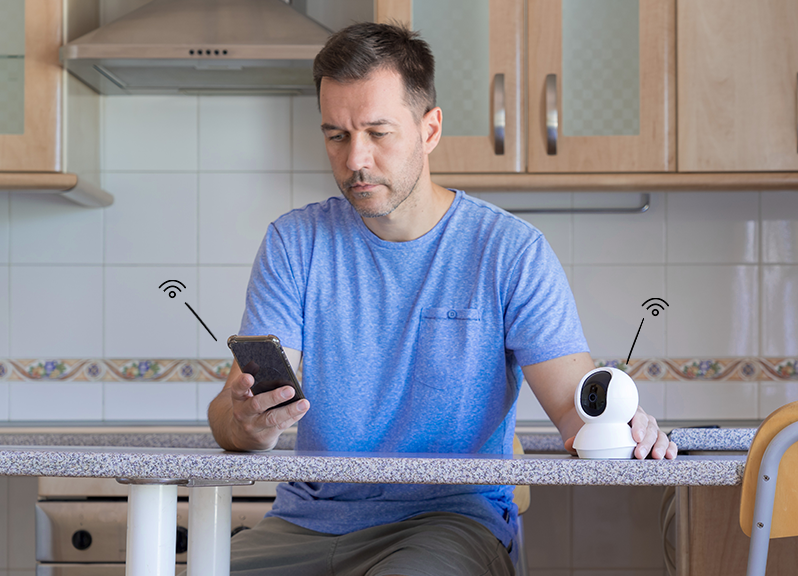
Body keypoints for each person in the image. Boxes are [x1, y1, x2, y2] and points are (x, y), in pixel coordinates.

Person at [208, 21, 677, 576]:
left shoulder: (509, 250)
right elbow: (229, 419)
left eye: (378, 133)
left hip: (450, 523)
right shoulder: (294, 244)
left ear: (429, 130)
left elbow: (576, 412)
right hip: (305, 523)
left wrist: (622, 425)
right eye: (336, 135)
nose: (355, 159)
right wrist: (248, 423)